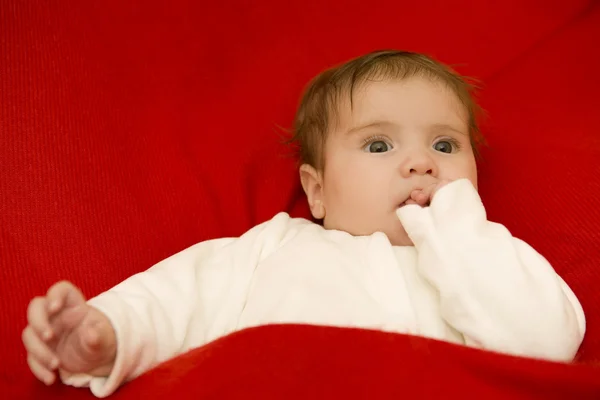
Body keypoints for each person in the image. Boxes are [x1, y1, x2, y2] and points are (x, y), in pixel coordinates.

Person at [22, 50, 586, 398]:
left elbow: (544, 346)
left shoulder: (486, 259)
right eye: (379, 144)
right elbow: (176, 297)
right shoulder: (274, 247)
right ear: (315, 190)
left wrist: (461, 227)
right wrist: (104, 334)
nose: (421, 163)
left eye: (445, 144)